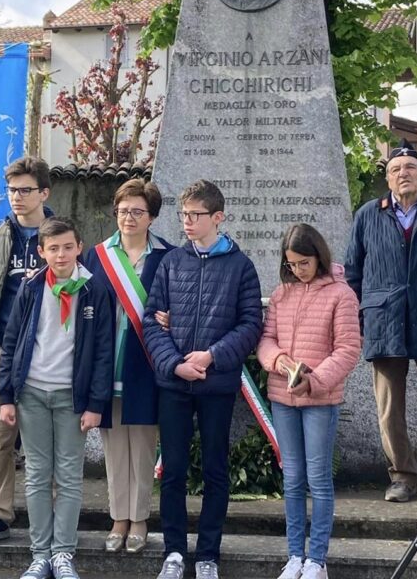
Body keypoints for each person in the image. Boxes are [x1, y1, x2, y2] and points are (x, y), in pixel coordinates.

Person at [144, 179, 263, 579]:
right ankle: (174, 552)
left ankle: (208, 554)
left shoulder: (240, 267)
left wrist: (212, 356)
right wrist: (175, 364)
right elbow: (151, 320)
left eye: (195, 215)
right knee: (174, 470)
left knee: (215, 469)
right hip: (175, 384)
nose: (187, 222)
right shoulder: (171, 262)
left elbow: (250, 325)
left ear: (218, 217)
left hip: (216, 385)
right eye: (183, 215)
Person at [0, 217, 114, 579]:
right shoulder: (31, 288)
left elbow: (102, 353)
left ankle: (63, 552)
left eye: (67, 247)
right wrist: (5, 395)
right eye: (53, 248)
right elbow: (11, 342)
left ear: (80, 247)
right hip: (31, 392)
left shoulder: (95, 290)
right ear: (41, 251)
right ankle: (40, 554)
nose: (61, 254)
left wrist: (96, 404)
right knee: (36, 474)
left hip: (71, 396)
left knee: (68, 476)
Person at [344, 143, 417, 504]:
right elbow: (352, 273)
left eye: (410, 167)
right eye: (396, 169)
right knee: (389, 406)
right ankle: (402, 476)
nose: (403, 173)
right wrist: (360, 317)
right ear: (388, 177)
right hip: (384, 320)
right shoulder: (367, 215)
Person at [259, 224, 361, 579]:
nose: (298, 270)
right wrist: (278, 360)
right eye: (291, 265)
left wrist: (314, 381)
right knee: (292, 478)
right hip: (282, 396)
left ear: (319, 256)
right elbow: (266, 339)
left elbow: (348, 349)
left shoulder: (341, 294)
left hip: (320, 399)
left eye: (304, 263)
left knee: (318, 479)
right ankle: (294, 556)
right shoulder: (282, 293)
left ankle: (317, 558)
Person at [83, 179, 174, 554]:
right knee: (114, 446)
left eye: (138, 211)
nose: (129, 218)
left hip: (145, 364)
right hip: (107, 364)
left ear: (151, 216)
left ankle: (139, 519)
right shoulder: (95, 256)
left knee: (142, 445)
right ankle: (117, 517)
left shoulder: (168, 257)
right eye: (123, 211)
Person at [0, 156, 55, 547]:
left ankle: (51, 516)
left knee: (47, 435)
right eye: (12, 190)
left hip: (50, 347)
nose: (17, 198)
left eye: (25, 190)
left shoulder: (60, 235)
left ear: (44, 193)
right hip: (1, 345)